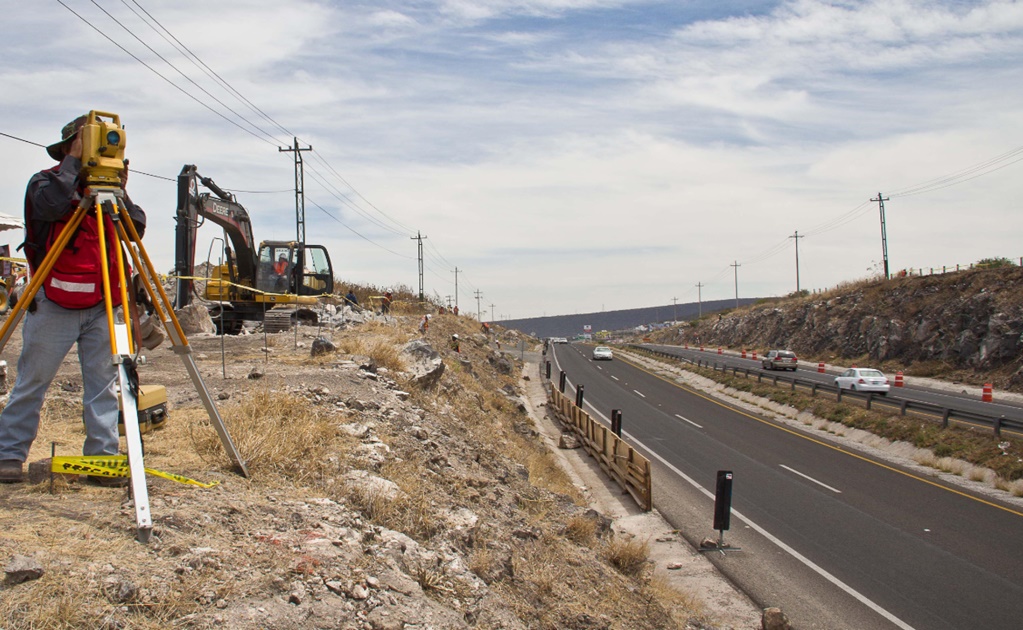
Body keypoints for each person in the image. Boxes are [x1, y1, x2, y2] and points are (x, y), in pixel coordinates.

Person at [0, 114, 146, 485]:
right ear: (70, 147)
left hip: (103, 306)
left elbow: (137, 228)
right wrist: (72, 165)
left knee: (103, 386)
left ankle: (102, 458)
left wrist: (121, 191)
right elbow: (49, 208)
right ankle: (9, 455)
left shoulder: (107, 195)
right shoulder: (47, 183)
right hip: (54, 303)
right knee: (32, 381)